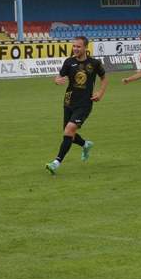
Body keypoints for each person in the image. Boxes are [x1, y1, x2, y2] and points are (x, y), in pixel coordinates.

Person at [46, 36, 108, 175]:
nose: (75, 48)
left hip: (85, 103)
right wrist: (57, 80)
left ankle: (56, 163)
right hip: (68, 102)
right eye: (74, 46)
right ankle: (85, 145)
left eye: (78, 46)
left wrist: (100, 93)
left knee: (69, 130)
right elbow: (59, 77)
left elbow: (104, 78)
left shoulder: (94, 63)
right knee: (69, 134)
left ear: (86, 47)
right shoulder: (69, 62)